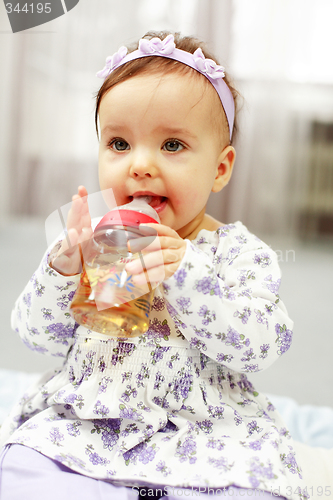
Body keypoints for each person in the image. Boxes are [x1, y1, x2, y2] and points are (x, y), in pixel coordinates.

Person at [0, 31, 307, 499]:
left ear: (220, 169)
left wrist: (185, 272)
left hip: (202, 432)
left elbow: (263, 345)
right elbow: (36, 336)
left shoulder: (236, 253)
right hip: (89, 423)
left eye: (172, 146)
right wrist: (62, 271)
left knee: (257, 484)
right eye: (119, 144)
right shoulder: (93, 239)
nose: (140, 165)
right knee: (26, 469)